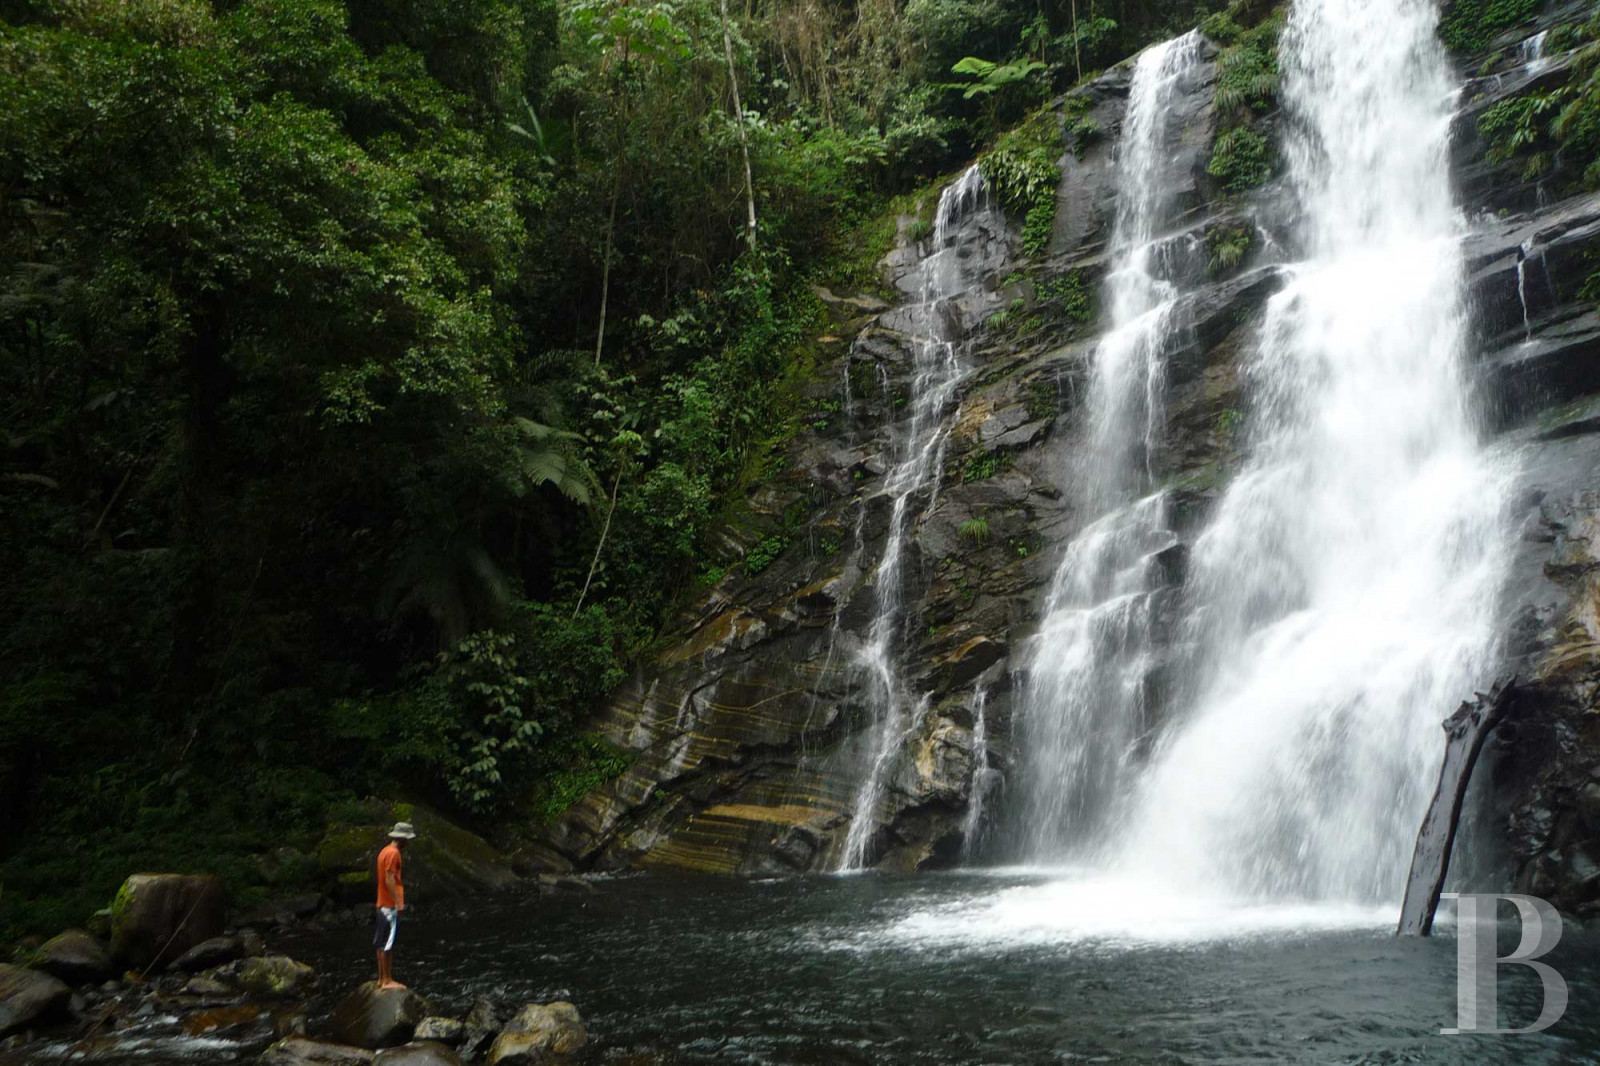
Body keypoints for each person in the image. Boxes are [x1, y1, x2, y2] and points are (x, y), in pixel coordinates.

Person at [374, 821, 416, 990]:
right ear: (402, 839)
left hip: (381, 903)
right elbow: (389, 878)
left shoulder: (384, 851)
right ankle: (387, 980)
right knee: (388, 943)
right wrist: (397, 901)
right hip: (389, 904)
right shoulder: (394, 854)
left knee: (380, 942)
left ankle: (381, 978)